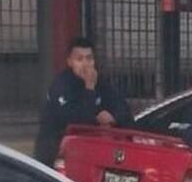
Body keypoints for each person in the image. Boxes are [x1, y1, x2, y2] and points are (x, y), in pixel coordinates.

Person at [33, 36, 132, 167]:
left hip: (90, 152)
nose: (85, 64)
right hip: (55, 155)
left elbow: (123, 108)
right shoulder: (61, 85)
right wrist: (89, 88)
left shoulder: (101, 82)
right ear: (70, 62)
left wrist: (112, 117)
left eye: (89, 58)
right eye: (79, 59)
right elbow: (77, 120)